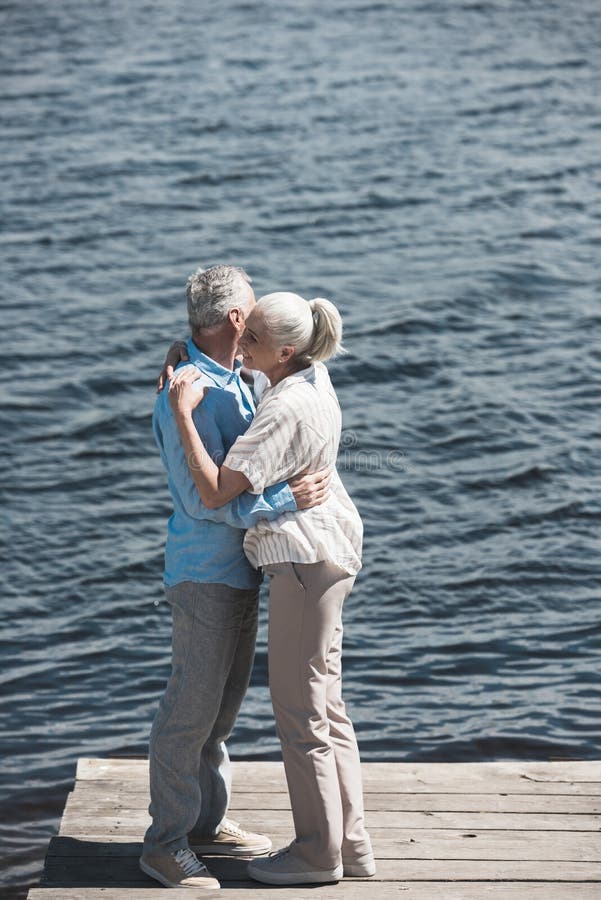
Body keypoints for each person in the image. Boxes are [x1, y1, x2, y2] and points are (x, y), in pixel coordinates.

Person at [167, 290, 375, 886]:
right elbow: (246, 367)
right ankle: (351, 844)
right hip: (331, 556)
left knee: (300, 715)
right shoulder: (312, 375)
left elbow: (213, 492)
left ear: (283, 350)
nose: (241, 345)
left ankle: (317, 853)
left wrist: (184, 412)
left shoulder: (283, 410)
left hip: (304, 566)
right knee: (328, 709)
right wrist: (183, 350)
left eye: (251, 339)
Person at [141, 266, 331, 890]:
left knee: (220, 716)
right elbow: (204, 502)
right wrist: (288, 501)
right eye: (250, 309)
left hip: (241, 571)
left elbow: (279, 384)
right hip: (204, 576)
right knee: (187, 714)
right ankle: (164, 844)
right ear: (234, 322)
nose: (257, 315)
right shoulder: (187, 394)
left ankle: (202, 823)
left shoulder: (233, 373)